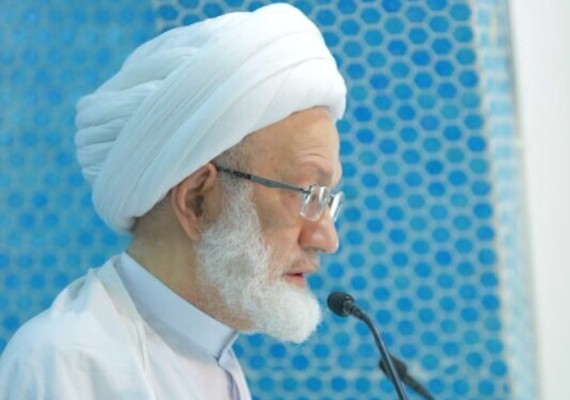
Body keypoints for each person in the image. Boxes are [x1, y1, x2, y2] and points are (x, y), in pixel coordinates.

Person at [0, 3, 347, 399]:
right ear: (198, 201)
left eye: (326, 200)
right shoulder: (68, 368)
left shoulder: (206, 350)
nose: (327, 238)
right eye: (306, 194)